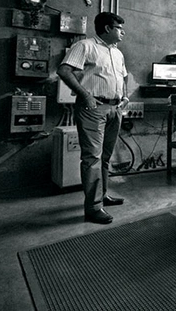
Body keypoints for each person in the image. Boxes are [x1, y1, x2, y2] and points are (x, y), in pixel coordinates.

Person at [57, 12, 130, 224]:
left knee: (105, 157)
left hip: (115, 108)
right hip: (93, 107)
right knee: (92, 158)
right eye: (119, 28)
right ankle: (93, 208)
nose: (122, 32)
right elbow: (64, 70)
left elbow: (122, 77)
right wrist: (85, 94)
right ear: (107, 29)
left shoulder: (117, 53)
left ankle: (103, 196)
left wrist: (124, 96)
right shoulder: (85, 46)